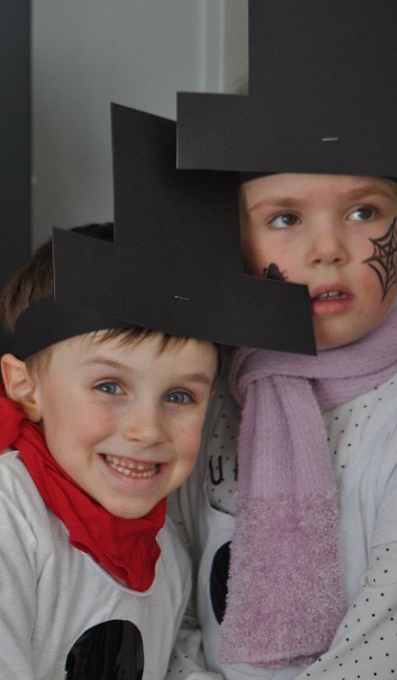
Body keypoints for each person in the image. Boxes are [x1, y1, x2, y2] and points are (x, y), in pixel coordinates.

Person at [0, 104, 312, 680]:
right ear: (25, 387)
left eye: (179, 397)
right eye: (110, 386)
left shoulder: (160, 543)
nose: (146, 429)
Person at [169, 1, 397, 675]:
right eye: (285, 219)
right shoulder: (209, 397)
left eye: (364, 211)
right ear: (231, 240)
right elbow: (166, 595)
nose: (328, 249)